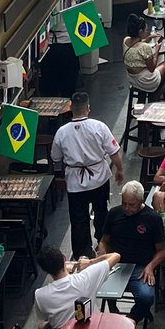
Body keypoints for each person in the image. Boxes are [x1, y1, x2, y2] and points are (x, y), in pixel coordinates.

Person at [50, 92, 123, 259]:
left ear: (70, 109)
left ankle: (82, 255)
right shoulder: (99, 127)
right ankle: (103, 246)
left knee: (78, 220)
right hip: (99, 178)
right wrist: (119, 170)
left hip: (75, 182)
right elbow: (114, 152)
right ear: (88, 108)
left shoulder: (62, 132)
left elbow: (56, 158)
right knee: (101, 212)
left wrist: (59, 175)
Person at [98, 181, 165, 329]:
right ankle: (114, 313)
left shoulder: (152, 219)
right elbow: (104, 240)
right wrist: (102, 254)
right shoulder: (114, 213)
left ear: (141, 201)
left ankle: (129, 324)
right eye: (124, 203)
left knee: (146, 297)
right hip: (116, 266)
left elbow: (162, 251)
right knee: (99, 291)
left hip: (140, 269)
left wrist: (150, 266)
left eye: (132, 205)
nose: (127, 208)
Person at [33, 243, 120, 329]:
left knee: (42, 326)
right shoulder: (86, 278)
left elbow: (42, 316)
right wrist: (91, 261)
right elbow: (116, 256)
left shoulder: (40, 295)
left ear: (45, 271)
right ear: (64, 259)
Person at [121, 14, 164, 95]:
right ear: (140, 32)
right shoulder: (144, 47)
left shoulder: (125, 41)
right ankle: (157, 95)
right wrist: (157, 51)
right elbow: (152, 68)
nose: (146, 31)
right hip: (145, 81)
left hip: (132, 79)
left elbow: (136, 46)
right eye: (145, 30)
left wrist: (148, 38)